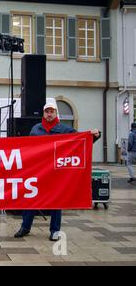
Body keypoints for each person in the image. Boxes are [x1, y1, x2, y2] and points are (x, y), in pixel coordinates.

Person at [14, 102, 101, 241]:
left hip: (56, 173)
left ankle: (55, 230)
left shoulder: (65, 129)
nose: (49, 114)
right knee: (30, 199)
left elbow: (81, 141)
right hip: (38, 172)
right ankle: (25, 227)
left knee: (56, 202)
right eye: (47, 111)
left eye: (52, 111)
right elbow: (28, 149)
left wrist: (95, 135)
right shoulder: (36, 129)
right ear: (43, 113)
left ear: (56, 113)